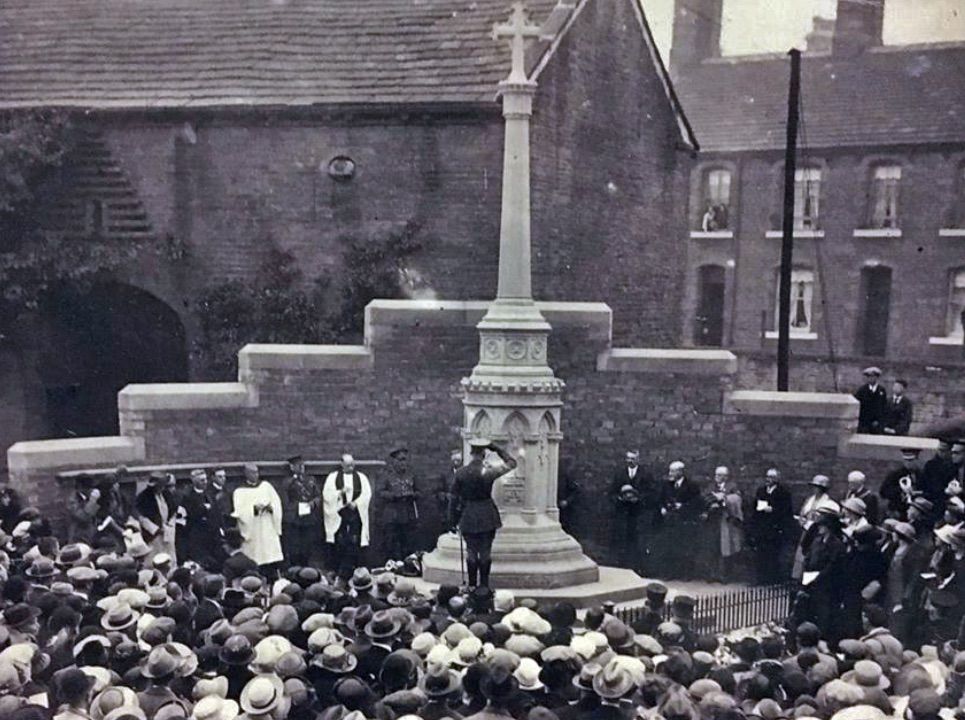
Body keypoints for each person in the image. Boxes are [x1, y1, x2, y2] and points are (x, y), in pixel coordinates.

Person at [449, 438, 517, 589]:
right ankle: (484, 586)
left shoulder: (460, 473)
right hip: (487, 514)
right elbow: (512, 463)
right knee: (486, 551)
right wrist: (497, 449)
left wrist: (453, 520)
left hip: (468, 515)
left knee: (471, 551)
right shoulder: (490, 471)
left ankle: (472, 585)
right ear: (484, 454)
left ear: (471, 453)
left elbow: (453, 499)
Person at [322, 454, 372, 579]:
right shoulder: (333, 477)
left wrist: (356, 503)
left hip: (355, 513)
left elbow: (367, 494)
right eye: (348, 465)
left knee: (355, 540)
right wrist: (340, 493)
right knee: (340, 540)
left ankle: (356, 570)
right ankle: (337, 570)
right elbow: (327, 495)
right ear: (342, 464)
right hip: (339, 514)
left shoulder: (361, 477)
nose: (351, 467)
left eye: (352, 465)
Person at [231, 463, 283, 571]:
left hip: (267, 525)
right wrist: (254, 509)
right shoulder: (240, 491)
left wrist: (270, 508)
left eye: (257, 472)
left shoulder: (266, 486)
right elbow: (240, 511)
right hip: (253, 529)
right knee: (255, 555)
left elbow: (277, 504)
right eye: (252, 472)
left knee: (270, 554)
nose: (256, 475)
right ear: (246, 473)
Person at [608, 450, 654, 571]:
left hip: (639, 514)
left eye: (633, 458)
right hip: (623, 514)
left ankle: (638, 567)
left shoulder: (646, 474)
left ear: (638, 459)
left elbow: (651, 492)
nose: (630, 461)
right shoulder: (619, 474)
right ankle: (623, 566)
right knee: (623, 539)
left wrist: (638, 499)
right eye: (628, 458)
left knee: (638, 540)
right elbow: (611, 492)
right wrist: (619, 499)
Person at [750, 467, 794, 584]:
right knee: (761, 554)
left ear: (777, 479)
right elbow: (755, 506)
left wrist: (774, 510)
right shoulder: (761, 490)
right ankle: (761, 578)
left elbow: (786, 511)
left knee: (773, 554)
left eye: (772, 477)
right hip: (762, 527)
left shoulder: (783, 493)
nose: (768, 479)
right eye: (767, 477)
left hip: (774, 527)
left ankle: (772, 579)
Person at [704, 466, 744, 582]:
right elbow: (705, 497)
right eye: (716, 474)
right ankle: (712, 574)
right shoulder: (711, 486)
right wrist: (712, 503)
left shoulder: (732, 487)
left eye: (720, 475)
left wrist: (723, 500)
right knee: (713, 547)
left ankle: (725, 575)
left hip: (726, 522)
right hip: (713, 521)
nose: (717, 477)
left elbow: (737, 500)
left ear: (725, 477)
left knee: (726, 549)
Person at [383, 445, 421, 561]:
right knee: (392, 544)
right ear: (394, 461)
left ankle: (408, 567)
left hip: (408, 515)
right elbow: (381, 493)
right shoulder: (388, 476)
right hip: (393, 515)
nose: (403, 463)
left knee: (408, 544)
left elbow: (420, 492)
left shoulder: (412, 475)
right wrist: (393, 496)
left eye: (405, 460)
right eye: (400, 460)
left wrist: (412, 495)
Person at [281, 455, 320, 567]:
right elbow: (285, 500)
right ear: (292, 467)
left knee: (307, 546)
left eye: (303, 465)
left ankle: (306, 566)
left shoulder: (311, 480)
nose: (302, 467)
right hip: (294, 519)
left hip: (308, 518)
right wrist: (297, 507)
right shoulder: (288, 482)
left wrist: (313, 503)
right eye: (299, 465)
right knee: (295, 547)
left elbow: (318, 496)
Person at [135, 471, 181, 565]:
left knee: (170, 558)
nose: (162, 488)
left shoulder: (167, 495)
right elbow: (142, 517)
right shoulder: (143, 498)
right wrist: (156, 529)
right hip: (153, 536)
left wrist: (169, 526)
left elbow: (173, 511)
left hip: (168, 533)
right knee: (154, 558)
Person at [180, 468, 219, 568]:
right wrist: (203, 509)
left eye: (206, 479)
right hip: (196, 535)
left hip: (211, 534)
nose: (205, 482)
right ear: (194, 481)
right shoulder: (188, 497)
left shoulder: (210, 494)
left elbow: (216, 512)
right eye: (202, 480)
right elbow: (189, 515)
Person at [880, 448, 923, 520]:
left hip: (915, 511)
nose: (908, 463)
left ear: (917, 460)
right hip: (898, 510)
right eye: (906, 461)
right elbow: (883, 492)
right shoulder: (895, 475)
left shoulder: (921, 475)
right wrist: (901, 490)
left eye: (911, 461)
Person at [66, 475, 100, 545]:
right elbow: (83, 517)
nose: (91, 490)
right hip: (78, 538)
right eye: (89, 488)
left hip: (92, 537)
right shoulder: (72, 501)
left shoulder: (90, 497)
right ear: (81, 488)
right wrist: (92, 501)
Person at [854, 366, 888, 434]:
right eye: (869, 376)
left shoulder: (882, 390)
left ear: (877, 377)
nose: (871, 378)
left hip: (877, 423)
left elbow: (883, 407)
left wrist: (879, 420)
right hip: (864, 422)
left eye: (873, 376)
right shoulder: (862, 390)